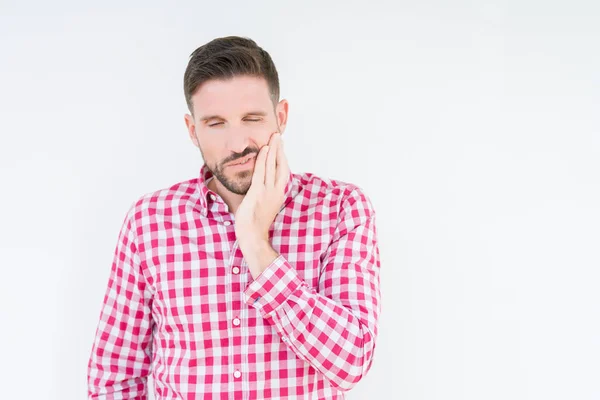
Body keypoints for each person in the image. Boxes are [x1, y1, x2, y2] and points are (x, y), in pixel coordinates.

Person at [87, 35, 381, 400]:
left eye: (252, 118)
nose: (237, 143)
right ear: (192, 131)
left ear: (282, 116)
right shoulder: (149, 221)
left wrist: (257, 244)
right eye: (216, 123)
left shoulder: (340, 208)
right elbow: (114, 378)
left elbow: (351, 363)